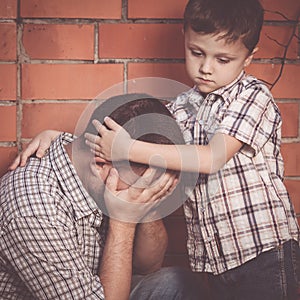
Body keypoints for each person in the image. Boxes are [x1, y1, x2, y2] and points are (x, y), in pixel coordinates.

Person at [8, 0, 300, 299]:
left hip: (264, 250)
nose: (206, 68)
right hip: (217, 261)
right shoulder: (183, 107)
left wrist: (127, 147)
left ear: (249, 57)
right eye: (197, 53)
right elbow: (134, 129)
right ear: (184, 35)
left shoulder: (252, 96)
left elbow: (212, 157)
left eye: (223, 60)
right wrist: (60, 136)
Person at [0, 94, 204, 300]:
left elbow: (148, 267)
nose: (146, 190)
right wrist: (122, 221)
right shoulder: (34, 210)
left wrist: (146, 205)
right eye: (142, 183)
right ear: (99, 165)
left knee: (176, 282)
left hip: (102, 288)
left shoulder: (88, 154)